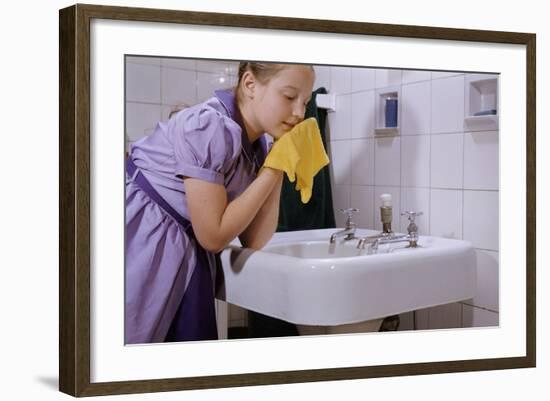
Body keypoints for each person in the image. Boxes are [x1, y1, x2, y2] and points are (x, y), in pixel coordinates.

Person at [125, 61, 315, 344]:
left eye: (305, 102)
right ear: (250, 84)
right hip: (147, 238)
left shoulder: (258, 145)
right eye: (289, 97)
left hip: (187, 248)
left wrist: (277, 161)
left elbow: (254, 239)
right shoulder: (210, 125)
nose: (299, 112)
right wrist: (275, 168)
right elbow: (213, 236)